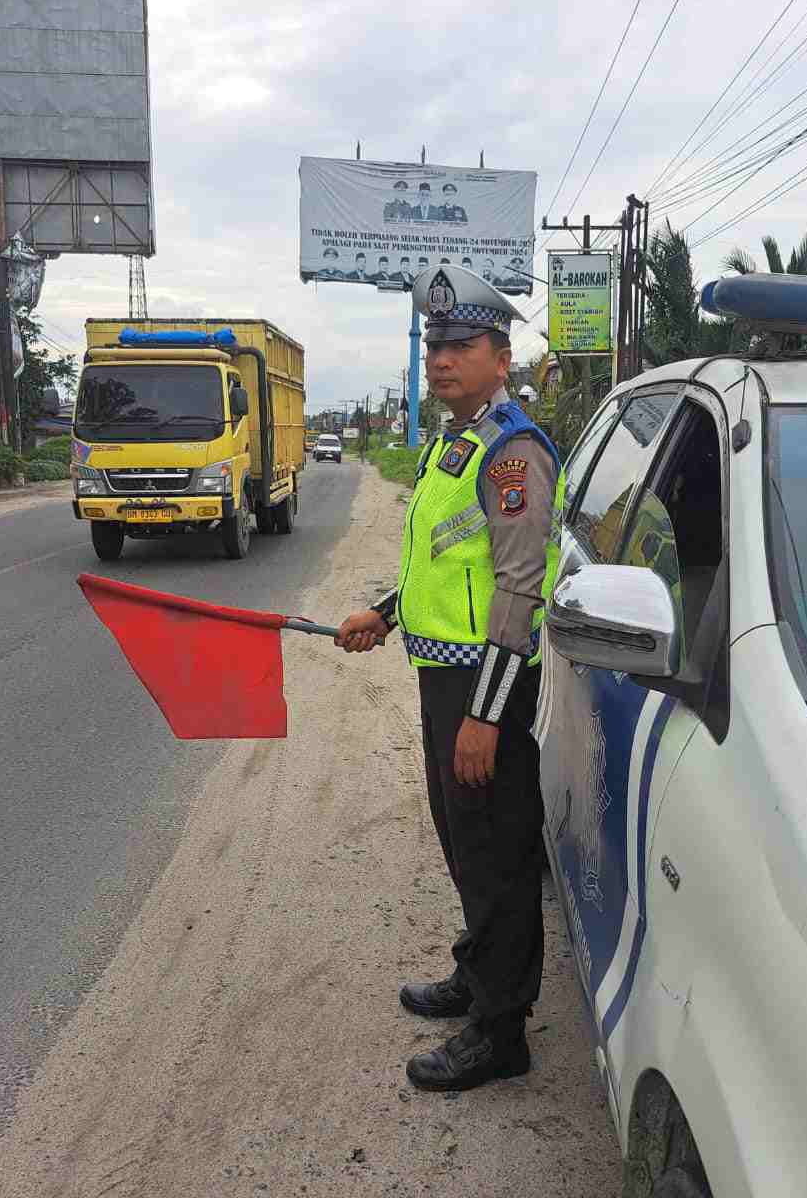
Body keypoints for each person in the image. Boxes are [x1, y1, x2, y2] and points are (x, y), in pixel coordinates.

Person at [337, 265, 563, 1093]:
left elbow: (518, 587)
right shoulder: (452, 443)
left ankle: (501, 1032)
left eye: (462, 345)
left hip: (487, 690)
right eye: (436, 345)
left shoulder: (512, 453)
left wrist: (486, 718)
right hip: (445, 678)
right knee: (464, 840)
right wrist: (387, 611)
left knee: (499, 855)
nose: (441, 359)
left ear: (502, 358)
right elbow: (447, 557)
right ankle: (478, 974)